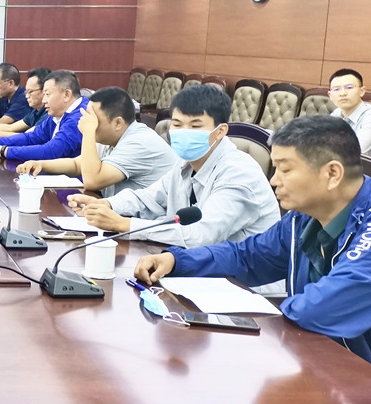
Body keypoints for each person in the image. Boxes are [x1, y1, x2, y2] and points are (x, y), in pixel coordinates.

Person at [134, 115, 371, 363]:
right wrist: (177, 260)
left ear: (332, 173)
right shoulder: (302, 218)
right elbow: (246, 257)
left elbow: (322, 307)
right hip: (317, 361)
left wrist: (276, 311)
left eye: (285, 170)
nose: (274, 180)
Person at [70, 84, 280, 248]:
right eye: (177, 124)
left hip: (243, 284)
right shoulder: (185, 163)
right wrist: (108, 205)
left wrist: (125, 225)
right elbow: (148, 198)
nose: (183, 132)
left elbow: (201, 235)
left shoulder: (239, 172)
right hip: (197, 267)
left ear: (220, 131)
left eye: (195, 126)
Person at [17, 86, 178, 197]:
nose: (87, 121)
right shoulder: (110, 137)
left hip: (152, 225)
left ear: (118, 123)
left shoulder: (139, 142)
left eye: (93, 119)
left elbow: (92, 180)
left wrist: (88, 132)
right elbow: (77, 165)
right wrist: (41, 164)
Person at [0, 70, 87, 161]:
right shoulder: (58, 114)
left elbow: (52, 151)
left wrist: (4, 151)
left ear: (67, 94)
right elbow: (33, 137)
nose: (44, 100)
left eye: (47, 94)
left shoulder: (80, 116)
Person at [328, 68, 371, 154]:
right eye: (336, 89)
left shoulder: (369, 116)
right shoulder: (336, 113)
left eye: (349, 87)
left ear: (362, 91)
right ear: (330, 96)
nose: (342, 93)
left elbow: (356, 150)